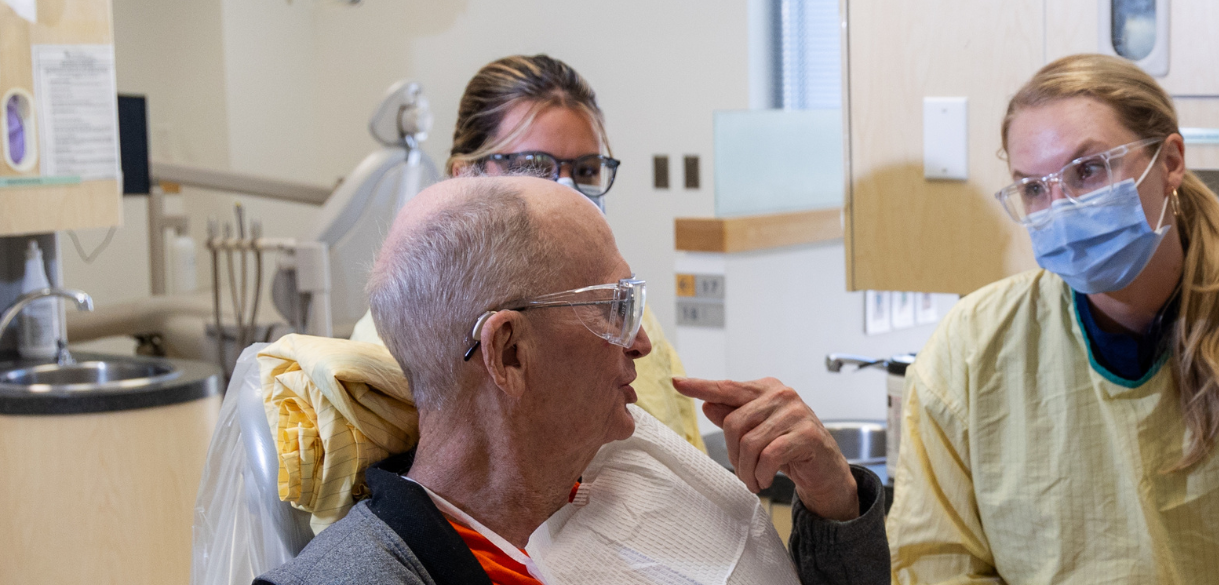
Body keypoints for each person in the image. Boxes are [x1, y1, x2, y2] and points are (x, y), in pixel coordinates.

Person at [885, 54, 1219, 583]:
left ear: (1170, 163)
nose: (1061, 207)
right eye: (1033, 188)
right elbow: (934, 564)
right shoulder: (972, 349)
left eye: (1088, 170)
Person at [259, 177, 887, 585]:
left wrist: (836, 503)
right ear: (508, 352)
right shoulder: (365, 575)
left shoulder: (639, 479)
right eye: (614, 308)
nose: (641, 342)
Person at [351, 54, 703, 452]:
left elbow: (681, 455)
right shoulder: (401, 340)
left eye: (586, 171)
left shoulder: (621, 308)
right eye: (536, 168)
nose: (567, 191)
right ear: (466, 177)